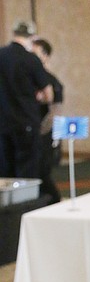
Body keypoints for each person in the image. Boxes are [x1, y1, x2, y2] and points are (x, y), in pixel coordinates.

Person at [0, 20, 53, 179]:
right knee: (27, 170)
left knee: (6, 170)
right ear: (32, 37)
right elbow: (48, 94)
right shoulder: (31, 60)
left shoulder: (1, 55)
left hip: (3, 123)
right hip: (26, 123)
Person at [31, 37, 64, 204]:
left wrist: (40, 132)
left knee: (43, 172)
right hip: (31, 133)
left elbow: (54, 112)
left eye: (35, 54)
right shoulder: (28, 80)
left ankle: (55, 201)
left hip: (44, 134)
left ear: (45, 56)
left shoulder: (52, 81)